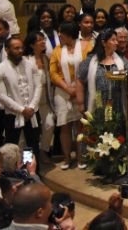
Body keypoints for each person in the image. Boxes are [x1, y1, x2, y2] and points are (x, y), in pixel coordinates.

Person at [50, 21, 91, 170]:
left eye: (62, 32)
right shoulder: (57, 50)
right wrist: (67, 88)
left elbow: (89, 67)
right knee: (65, 126)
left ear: (70, 33)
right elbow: (53, 73)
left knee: (81, 126)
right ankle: (67, 158)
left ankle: (81, 157)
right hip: (62, 92)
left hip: (82, 90)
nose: (59, 34)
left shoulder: (86, 46)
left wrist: (78, 88)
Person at [0, 37, 42, 154]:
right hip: (13, 114)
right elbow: (1, 96)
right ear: (7, 50)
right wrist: (21, 110)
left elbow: (38, 86)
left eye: (21, 48)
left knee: (31, 144)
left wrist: (31, 107)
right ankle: (12, 171)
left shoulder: (30, 65)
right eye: (16, 48)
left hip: (31, 111)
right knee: (12, 145)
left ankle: (29, 170)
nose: (20, 50)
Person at [78, 29, 128, 118]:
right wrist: (81, 103)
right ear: (103, 43)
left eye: (116, 40)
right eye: (113, 40)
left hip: (117, 103)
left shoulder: (121, 59)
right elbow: (79, 80)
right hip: (97, 102)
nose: (116, 43)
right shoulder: (90, 60)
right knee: (99, 128)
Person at [22, 33, 54, 157]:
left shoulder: (46, 58)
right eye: (39, 40)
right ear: (31, 44)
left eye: (43, 39)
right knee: (28, 135)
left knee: (49, 124)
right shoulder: (25, 60)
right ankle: (27, 161)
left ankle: (42, 151)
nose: (43, 42)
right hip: (30, 102)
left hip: (45, 100)